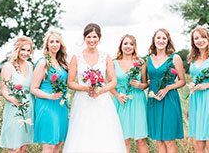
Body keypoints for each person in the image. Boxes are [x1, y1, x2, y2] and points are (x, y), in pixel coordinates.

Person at [63, 23, 126, 152]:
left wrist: (101, 90)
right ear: (84, 38)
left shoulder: (105, 56)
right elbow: (70, 82)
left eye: (95, 37)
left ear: (99, 38)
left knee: (103, 133)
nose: (92, 40)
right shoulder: (77, 57)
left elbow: (113, 80)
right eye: (89, 37)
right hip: (83, 101)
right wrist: (86, 88)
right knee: (82, 133)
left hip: (102, 101)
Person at [142, 28, 186, 153]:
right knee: (159, 139)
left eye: (164, 38)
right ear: (154, 40)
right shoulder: (147, 59)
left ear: (168, 41)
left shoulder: (175, 58)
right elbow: (145, 83)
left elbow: (182, 81)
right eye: (158, 38)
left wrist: (168, 88)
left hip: (169, 99)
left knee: (169, 139)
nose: (161, 41)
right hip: (153, 99)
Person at [31, 31, 69, 153]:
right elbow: (33, 88)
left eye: (57, 41)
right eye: (51, 41)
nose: (54, 44)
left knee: (57, 143)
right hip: (47, 105)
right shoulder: (43, 62)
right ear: (46, 44)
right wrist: (50, 96)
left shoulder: (62, 63)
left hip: (61, 106)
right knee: (49, 145)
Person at [111, 34, 149, 153]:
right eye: (125, 43)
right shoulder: (114, 63)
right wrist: (118, 96)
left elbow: (145, 84)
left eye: (131, 44)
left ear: (135, 47)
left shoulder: (141, 62)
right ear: (121, 46)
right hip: (121, 102)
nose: (128, 46)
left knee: (141, 139)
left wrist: (140, 85)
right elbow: (110, 84)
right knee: (123, 139)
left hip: (137, 101)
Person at [0, 36, 35, 152]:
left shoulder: (30, 65)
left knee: (24, 147)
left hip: (29, 108)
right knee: (15, 147)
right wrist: (13, 100)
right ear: (17, 50)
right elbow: (4, 90)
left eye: (28, 50)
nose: (26, 53)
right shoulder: (8, 67)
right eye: (23, 50)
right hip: (15, 108)